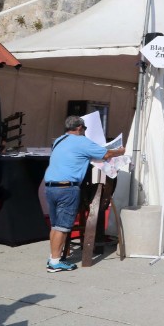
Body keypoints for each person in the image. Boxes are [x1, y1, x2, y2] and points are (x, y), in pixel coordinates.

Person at [44, 116, 125, 272]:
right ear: (80, 127)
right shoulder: (82, 141)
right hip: (67, 188)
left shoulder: (59, 140)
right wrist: (120, 151)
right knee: (62, 226)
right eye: (85, 129)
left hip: (50, 186)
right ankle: (54, 262)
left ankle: (53, 257)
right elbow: (106, 154)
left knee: (55, 226)